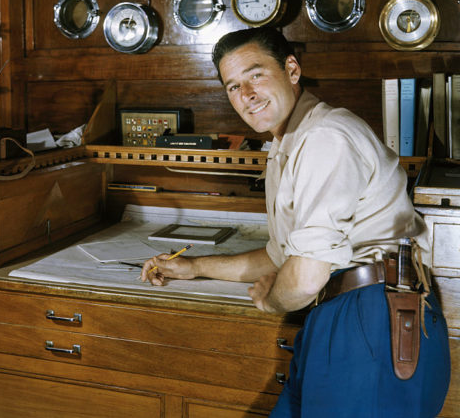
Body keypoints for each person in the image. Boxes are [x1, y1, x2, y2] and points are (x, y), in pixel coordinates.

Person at [141, 27, 450, 417]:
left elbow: (303, 278)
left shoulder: (325, 137)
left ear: (291, 69)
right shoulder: (289, 142)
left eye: (255, 74)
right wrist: (194, 268)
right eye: (233, 86)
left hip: (371, 319)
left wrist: (271, 300)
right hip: (342, 314)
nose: (246, 95)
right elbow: (282, 255)